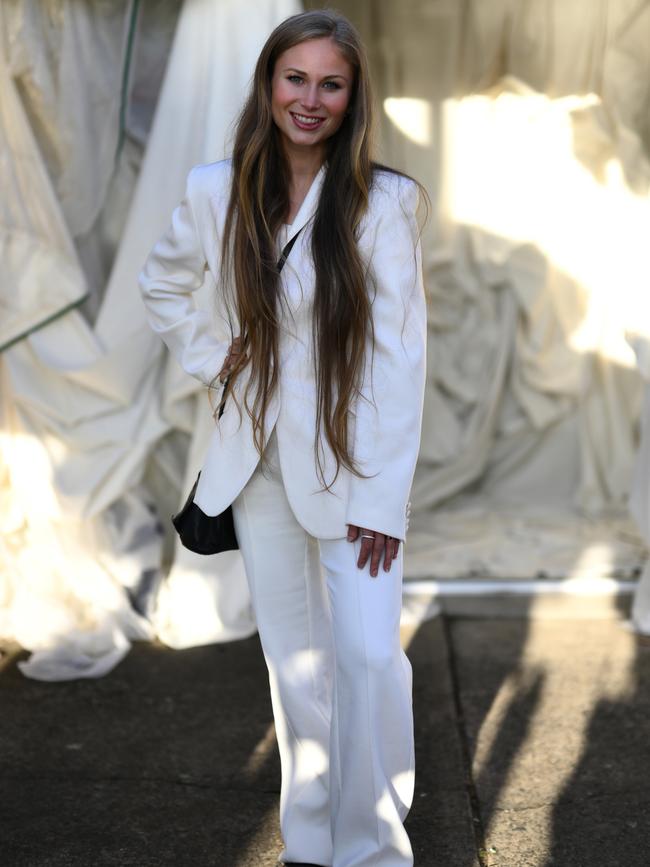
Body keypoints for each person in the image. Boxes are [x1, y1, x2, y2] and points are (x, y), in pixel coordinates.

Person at [139, 9, 427, 866]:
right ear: (269, 84)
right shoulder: (212, 188)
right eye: (295, 78)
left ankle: (372, 845)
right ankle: (311, 842)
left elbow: (399, 359)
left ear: (352, 96)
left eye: (329, 83)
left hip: (352, 468)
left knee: (371, 654)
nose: (310, 98)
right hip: (256, 466)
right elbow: (163, 288)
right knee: (296, 667)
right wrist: (215, 356)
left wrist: (383, 497)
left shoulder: (387, 201)